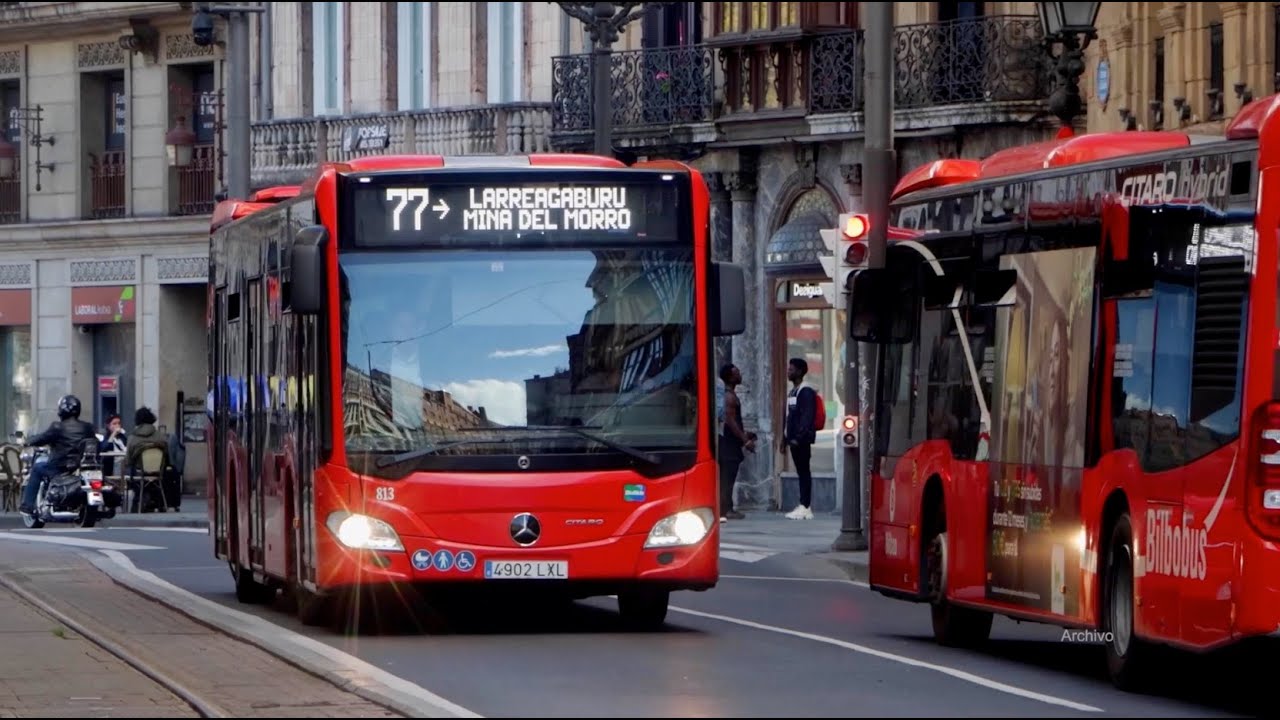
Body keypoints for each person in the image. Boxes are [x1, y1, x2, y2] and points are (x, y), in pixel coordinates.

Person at [20, 394, 96, 515]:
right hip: (80, 466)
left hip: (60, 467)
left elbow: (42, 438)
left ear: (62, 410)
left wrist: (28, 441)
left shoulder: (57, 427)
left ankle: (27, 505)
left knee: (38, 468)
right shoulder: (87, 427)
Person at [782, 357, 818, 520]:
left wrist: (798, 437)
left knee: (804, 472)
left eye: (791, 369)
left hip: (801, 441)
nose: (788, 372)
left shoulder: (806, 391)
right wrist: (785, 439)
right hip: (793, 440)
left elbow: (807, 417)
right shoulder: (793, 391)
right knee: (801, 471)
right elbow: (789, 416)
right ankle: (803, 504)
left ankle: (805, 506)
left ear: (800, 371)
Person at [718, 363, 753, 521]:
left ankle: (727, 508)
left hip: (730, 443)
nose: (740, 374)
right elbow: (730, 421)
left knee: (728, 477)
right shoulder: (729, 397)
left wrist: (746, 434)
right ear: (730, 377)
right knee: (727, 477)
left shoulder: (730, 395)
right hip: (729, 445)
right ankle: (726, 509)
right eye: (736, 372)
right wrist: (745, 440)